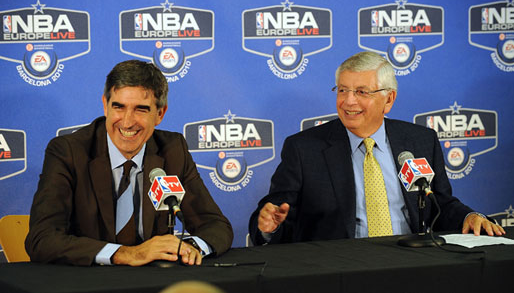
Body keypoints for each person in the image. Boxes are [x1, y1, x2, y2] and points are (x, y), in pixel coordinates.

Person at [249, 51, 505, 245]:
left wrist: (469, 217)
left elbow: (440, 203)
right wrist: (268, 227)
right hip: (338, 268)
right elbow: (276, 214)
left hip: (413, 261)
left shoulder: (420, 141)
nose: (349, 101)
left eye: (361, 92)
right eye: (342, 90)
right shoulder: (304, 149)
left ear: (389, 99)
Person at [25, 60, 233, 266]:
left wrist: (190, 248)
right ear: (105, 106)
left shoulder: (172, 150)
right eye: (119, 107)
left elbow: (215, 225)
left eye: (140, 109)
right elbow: (42, 239)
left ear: (160, 114)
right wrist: (128, 254)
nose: (127, 122)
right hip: (88, 282)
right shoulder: (69, 151)